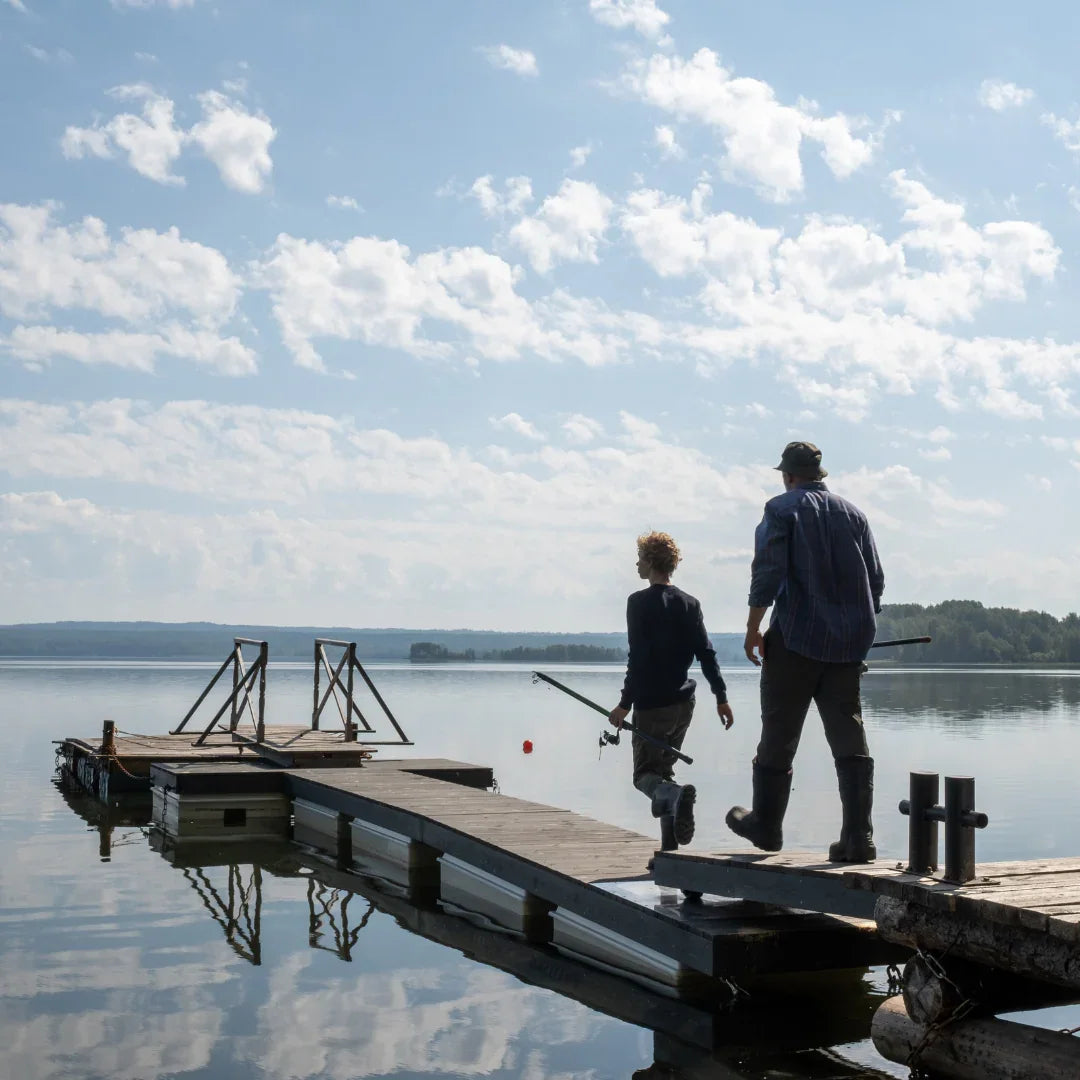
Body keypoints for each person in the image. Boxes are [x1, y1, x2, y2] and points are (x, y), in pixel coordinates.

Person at [725, 442, 884, 863]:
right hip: (848, 646)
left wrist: (753, 628)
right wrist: (855, 627)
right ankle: (858, 838)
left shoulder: (781, 509)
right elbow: (876, 581)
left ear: (787, 475)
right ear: (820, 474)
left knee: (779, 732)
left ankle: (766, 827)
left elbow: (768, 572)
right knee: (849, 735)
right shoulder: (855, 514)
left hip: (795, 641)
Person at [608, 531, 735, 857]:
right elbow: (707, 654)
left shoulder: (638, 603)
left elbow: (638, 658)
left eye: (639, 557)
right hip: (683, 705)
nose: (636, 563)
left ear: (650, 562)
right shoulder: (690, 604)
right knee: (662, 774)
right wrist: (721, 697)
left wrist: (624, 704)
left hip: (652, 706)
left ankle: (675, 798)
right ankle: (668, 850)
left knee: (645, 776)